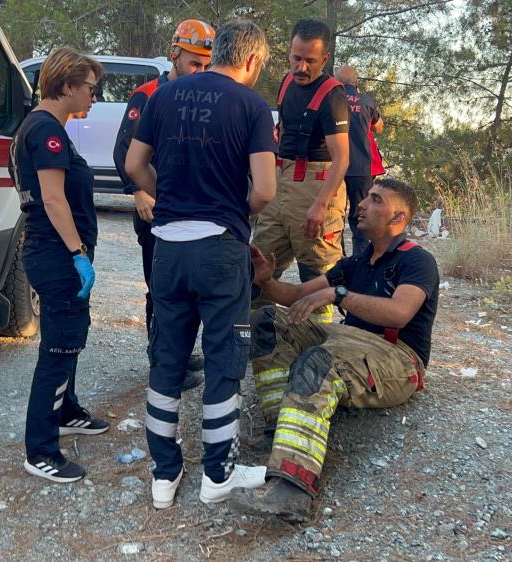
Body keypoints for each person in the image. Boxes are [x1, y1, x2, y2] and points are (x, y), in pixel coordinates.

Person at [125, 20, 277, 510]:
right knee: (223, 359)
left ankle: (163, 475)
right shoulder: (252, 105)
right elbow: (266, 190)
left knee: (166, 359)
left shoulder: (163, 95)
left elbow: (132, 166)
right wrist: (235, 211)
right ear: (252, 61)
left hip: (167, 244)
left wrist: (167, 196)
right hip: (219, 248)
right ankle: (218, 475)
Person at [231, 178, 439, 521]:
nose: (361, 204)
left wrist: (339, 295)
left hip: (398, 357)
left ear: (398, 218)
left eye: (375, 200)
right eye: (366, 197)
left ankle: (291, 490)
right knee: (265, 320)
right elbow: (298, 296)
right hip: (348, 342)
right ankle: (280, 426)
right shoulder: (356, 264)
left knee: (318, 362)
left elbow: (401, 314)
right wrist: (266, 280)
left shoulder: (417, 261)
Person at [9, 48, 110, 483]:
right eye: (89, 88)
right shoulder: (46, 131)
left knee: (69, 337)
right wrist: (77, 254)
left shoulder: (46, 128)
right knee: (58, 348)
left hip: (56, 251)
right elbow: (51, 198)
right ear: (66, 86)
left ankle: (66, 410)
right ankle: (41, 448)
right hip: (56, 253)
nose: (94, 96)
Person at [112, 20, 217, 391]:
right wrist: (137, 190)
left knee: (187, 288)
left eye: (206, 66)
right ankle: (162, 361)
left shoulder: (205, 97)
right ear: (175, 54)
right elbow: (123, 149)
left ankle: (182, 352)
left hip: (188, 210)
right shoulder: (148, 94)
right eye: (194, 63)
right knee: (160, 288)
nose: (200, 72)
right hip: (154, 208)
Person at [251, 18, 350, 324]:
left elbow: (342, 159)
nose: (301, 67)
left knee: (317, 269)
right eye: (296, 58)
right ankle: (258, 341)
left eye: (310, 61)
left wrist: (321, 205)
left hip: (315, 186)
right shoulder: (286, 82)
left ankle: (318, 347)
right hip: (280, 182)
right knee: (258, 264)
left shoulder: (333, 96)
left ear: (325, 59)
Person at [334, 65, 384, 255]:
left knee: (333, 216)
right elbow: (378, 127)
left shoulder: (329, 100)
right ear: (356, 83)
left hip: (334, 168)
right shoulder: (367, 101)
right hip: (361, 168)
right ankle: (360, 259)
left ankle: (338, 258)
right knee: (361, 216)